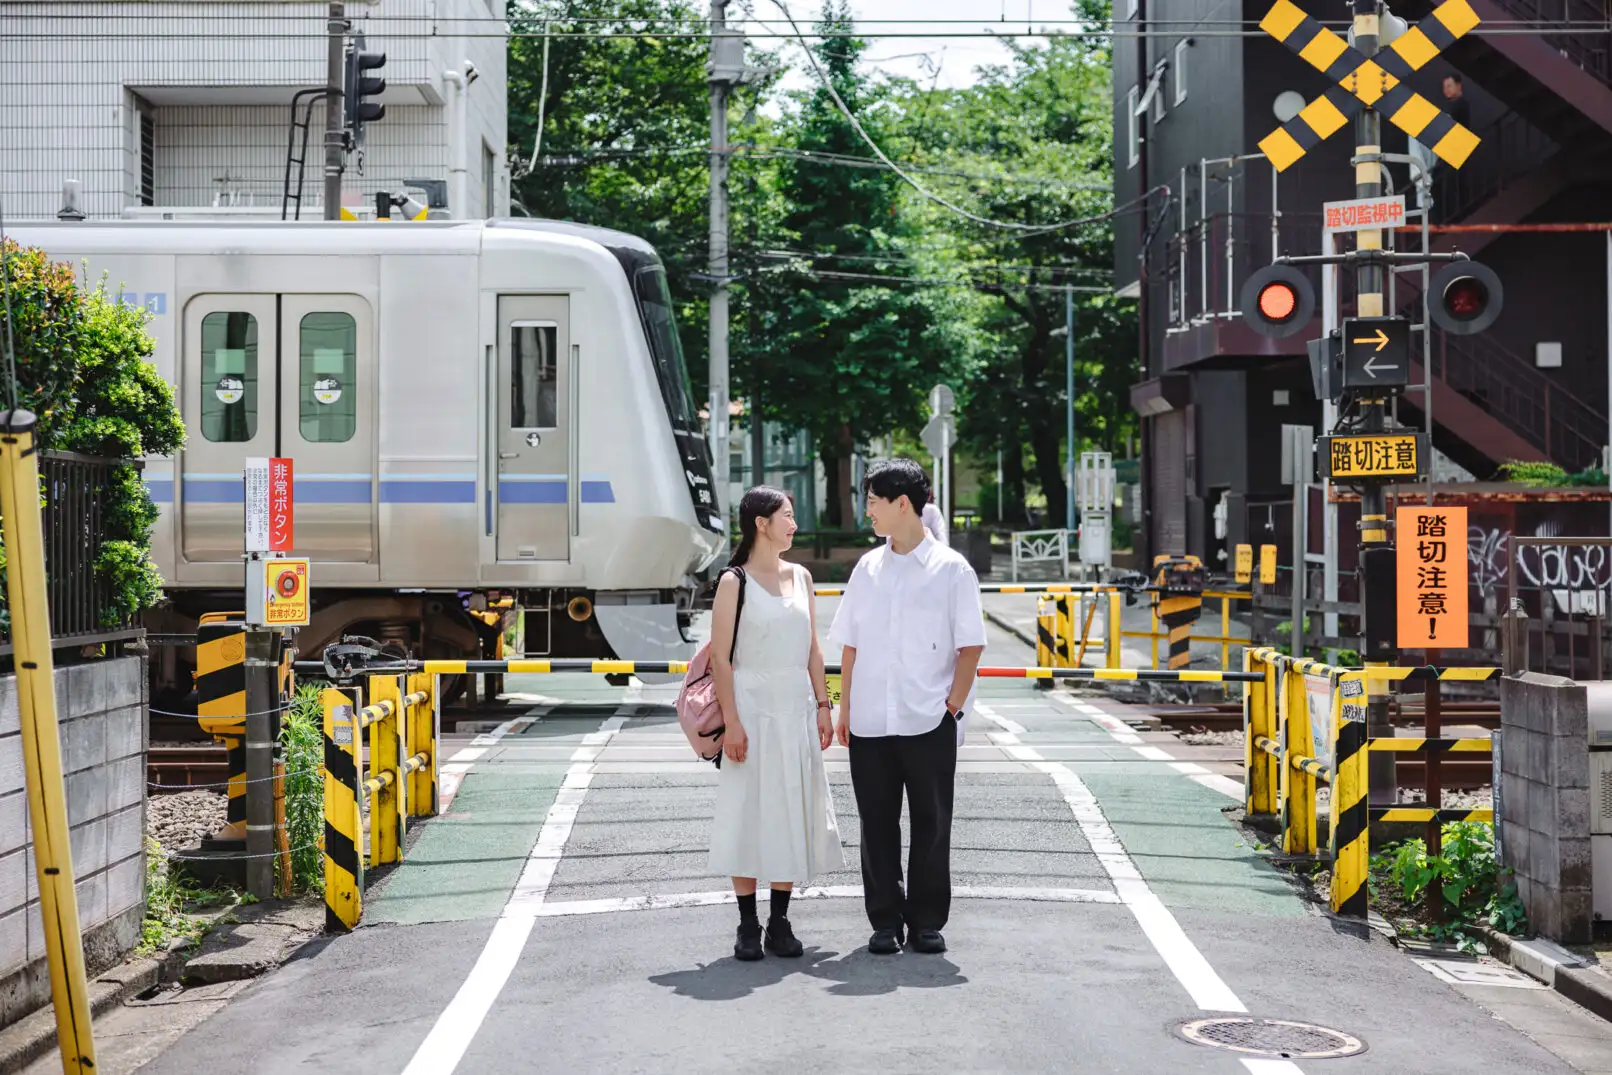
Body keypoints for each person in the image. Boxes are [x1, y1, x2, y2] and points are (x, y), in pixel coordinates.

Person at [828, 459, 986, 955]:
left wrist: (951, 709)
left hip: (929, 719)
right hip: (870, 720)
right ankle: (884, 920)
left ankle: (926, 921)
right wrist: (844, 709)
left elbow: (971, 647)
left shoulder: (952, 570)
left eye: (873, 501)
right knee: (875, 825)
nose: (868, 511)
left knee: (931, 825)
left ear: (903, 504)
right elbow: (850, 645)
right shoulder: (867, 568)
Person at [706, 486, 844, 962]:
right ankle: (748, 924)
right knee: (747, 809)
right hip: (751, 707)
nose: (794, 524)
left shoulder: (802, 576)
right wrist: (731, 721)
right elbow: (721, 660)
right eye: (787, 515)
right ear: (761, 524)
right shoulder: (734, 582)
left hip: (796, 707)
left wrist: (824, 706)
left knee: (791, 808)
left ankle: (780, 921)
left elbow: (813, 649)